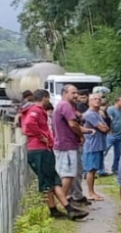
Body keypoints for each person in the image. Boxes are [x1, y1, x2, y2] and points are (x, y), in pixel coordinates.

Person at [21, 89, 88, 220]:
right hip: (39, 150)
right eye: (48, 98)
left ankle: (61, 209)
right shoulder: (36, 110)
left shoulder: (37, 111)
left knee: (53, 180)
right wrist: (42, 137)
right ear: (45, 98)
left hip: (42, 149)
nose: (49, 101)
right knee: (48, 181)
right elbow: (28, 125)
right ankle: (64, 209)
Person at [53, 84, 88, 207]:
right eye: (73, 93)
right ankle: (62, 204)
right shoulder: (65, 105)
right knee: (68, 175)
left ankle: (64, 202)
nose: (76, 95)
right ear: (64, 93)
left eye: (76, 93)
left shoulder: (63, 106)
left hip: (65, 144)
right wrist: (81, 136)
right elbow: (73, 124)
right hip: (67, 145)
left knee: (69, 174)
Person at [81, 93, 109, 201]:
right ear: (90, 101)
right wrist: (104, 127)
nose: (97, 101)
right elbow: (103, 128)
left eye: (99, 99)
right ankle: (90, 192)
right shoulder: (90, 114)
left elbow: (106, 127)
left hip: (98, 145)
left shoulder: (98, 113)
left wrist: (104, 127)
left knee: (95, 169)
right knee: (91, 169)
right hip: (92, 145)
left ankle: (93, 191)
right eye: (94, 99)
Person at [104, 96, 121, 176]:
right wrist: (109, 130)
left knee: (118, 153)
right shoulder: (111, 110)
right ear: (117, 101)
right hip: (111, 134)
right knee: (104, 151)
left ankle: (115, 168)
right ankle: (100, 169)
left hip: (120, 135)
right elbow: (108, 120)